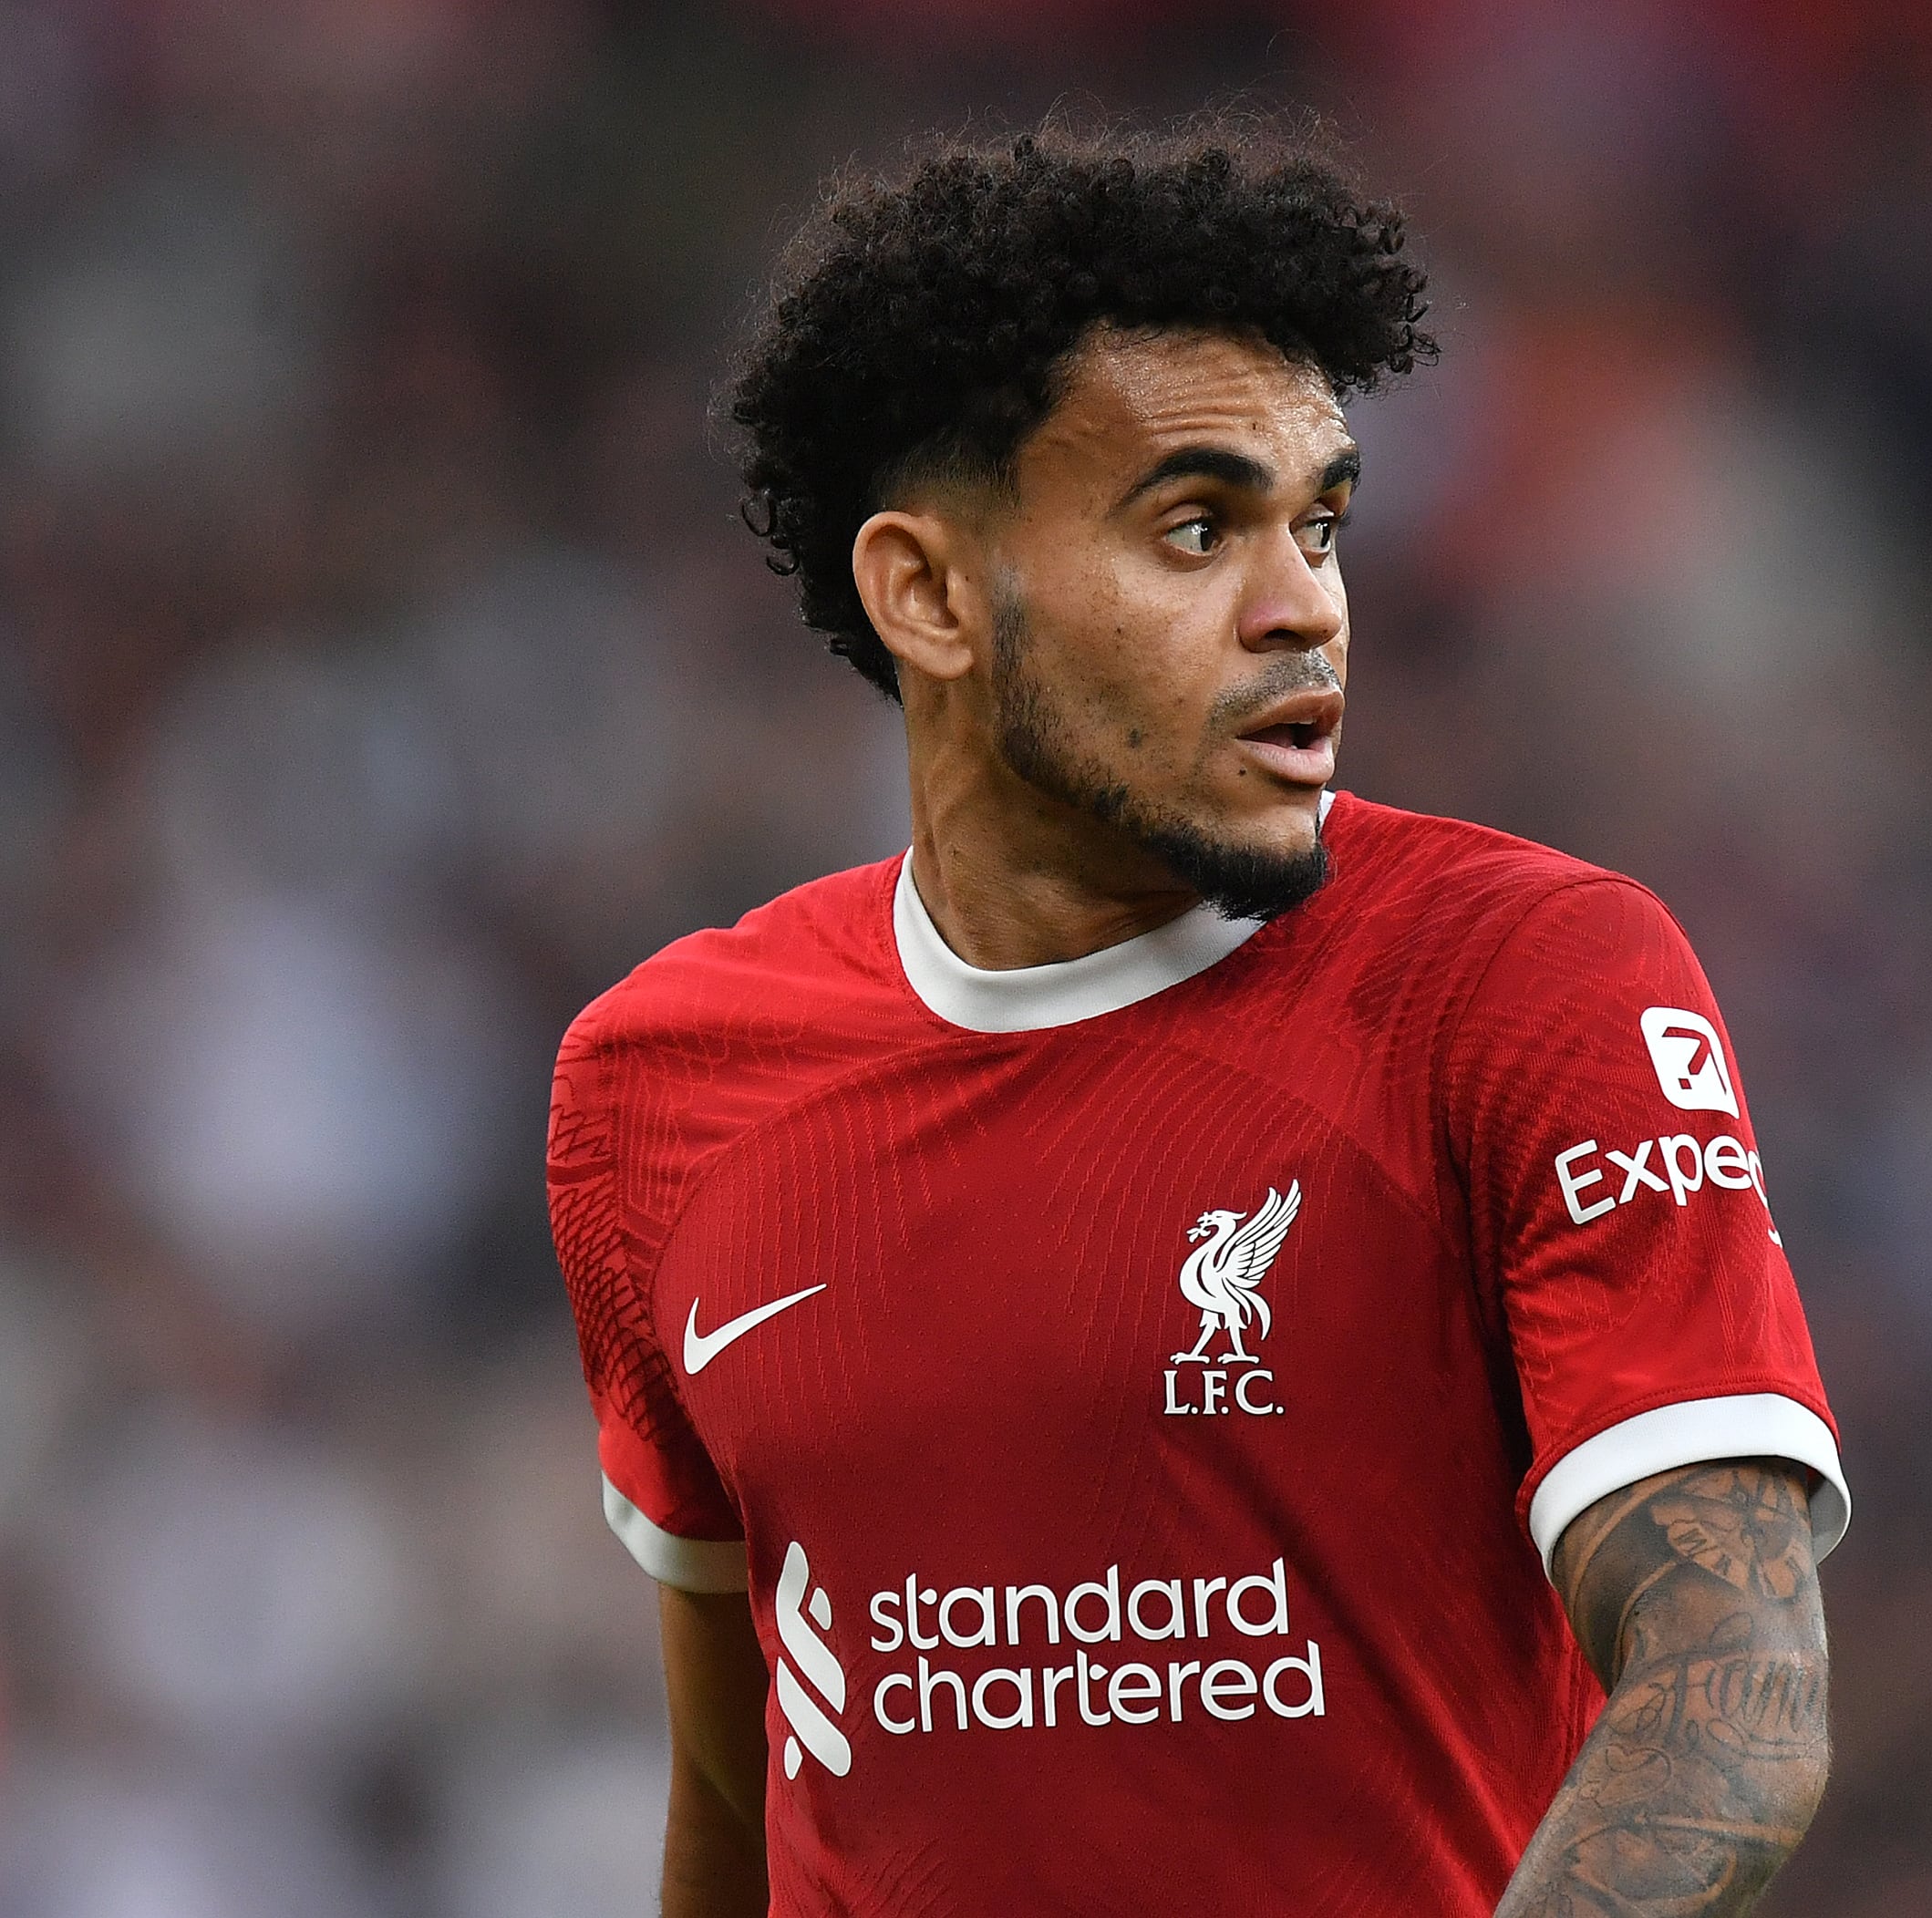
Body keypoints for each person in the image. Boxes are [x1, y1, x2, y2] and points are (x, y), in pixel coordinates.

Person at [545, 119, 1849, 1916]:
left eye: (1321, 523)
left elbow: (1736, 1697)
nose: (1304, 605)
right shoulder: (657, 1085)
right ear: (929, 594)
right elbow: (731, 1787)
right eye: (1195, 527)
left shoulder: (1523, 978)